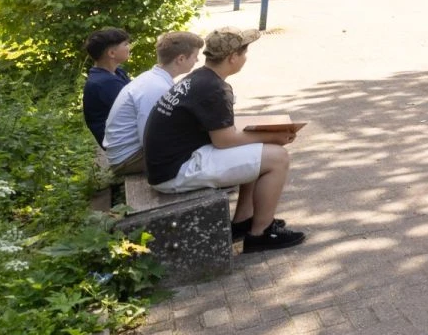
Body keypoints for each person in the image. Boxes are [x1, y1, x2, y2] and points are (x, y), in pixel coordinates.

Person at [143, 28, 306, 253]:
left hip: (169, 164)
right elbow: (224, 140)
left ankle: (243, 221)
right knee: (278, 158)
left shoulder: (200, 78)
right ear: (232, 57)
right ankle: (261, 234)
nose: (245, 58)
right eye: (244, 53)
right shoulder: (214, 89)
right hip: (175, 171)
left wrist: (264, 136)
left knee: (257, 151)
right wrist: (274, 137)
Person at [101, 30, 204, 173]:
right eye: (195, 56)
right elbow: (150, 139)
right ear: (181, 59)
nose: (197, 61)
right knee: (206, 152)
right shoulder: (155, 87)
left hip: (129, 153)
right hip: (128, 159)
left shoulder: (154, 78)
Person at [82, 28, 133, 145]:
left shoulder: (117, 72)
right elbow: (135, 108)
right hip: (122, 145)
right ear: (112, 53)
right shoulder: (104, 83)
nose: (129, 47)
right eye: (125, 44)